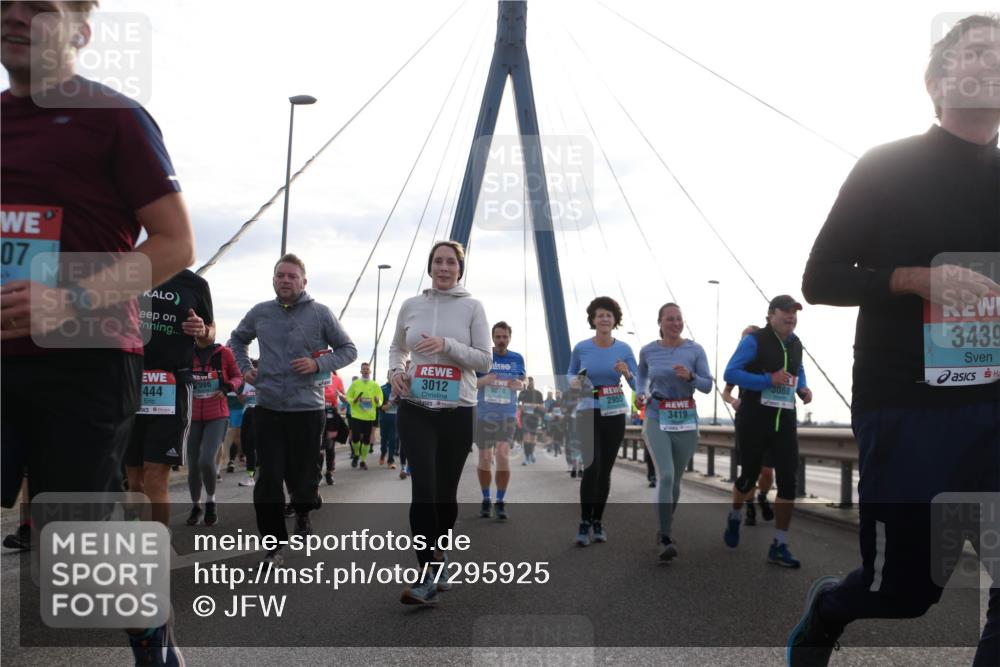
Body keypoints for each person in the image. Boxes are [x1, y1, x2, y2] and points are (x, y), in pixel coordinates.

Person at [788, 15, 1000, 666]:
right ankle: (827, 610)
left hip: (997, 406)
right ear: (936, 82)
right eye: (975, 52)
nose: (991, 62)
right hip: (909, 405)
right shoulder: (887, 166)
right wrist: (915, 279)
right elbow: (820, 278)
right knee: (902, 589)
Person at [1, 2, 195, 662]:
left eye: (40, 8)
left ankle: (154, 639)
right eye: (6, 6)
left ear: (81, 33)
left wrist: (71, 297)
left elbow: (174, 243)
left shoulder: (114, 119)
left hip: (83, 360)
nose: (16, 17)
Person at [229, 254, 357, 563]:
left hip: (307, 410)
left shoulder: (320, 314)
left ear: (303, 281)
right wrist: (245, 367)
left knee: (304, 475)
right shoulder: (260, 313)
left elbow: (348, 350)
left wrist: (317, 364)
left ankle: (303, 510)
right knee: (268, 477)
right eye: (280, 275)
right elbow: (236, 340)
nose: (285, 280)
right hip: (268, 407)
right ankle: (273, 545)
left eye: (291, 276)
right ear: (273, 280)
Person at [389, 240, 491, 604]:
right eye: (438, 261)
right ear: (429, 266)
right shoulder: (411, 305)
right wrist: (396, 371)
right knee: (424, 492)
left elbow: (484, 361)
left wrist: (446, 344)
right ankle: (427, 574)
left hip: (458, 410)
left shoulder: (472, 307)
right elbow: (398, 347)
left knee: (445, 497)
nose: (444, 268)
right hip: (416, 407)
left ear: (459, 269)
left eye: (450, 262)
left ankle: (440, 554)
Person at [722, 295, 812, 568]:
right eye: (785, 312)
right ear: (771, 314)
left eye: (795, 312)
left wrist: (803, 388)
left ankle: (780, 543)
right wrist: (766, 380)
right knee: (749, 476)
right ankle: (736, 514)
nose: (791, 317)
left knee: (788, 483)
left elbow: (800, 370)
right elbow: (731, 372)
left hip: (784, 421)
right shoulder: (754, 341)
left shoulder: (796, 344)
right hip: (753, 420)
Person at [126, 270, 214, 529]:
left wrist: (202, 330)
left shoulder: (194, 284)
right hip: (129, 380)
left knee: (155, 472)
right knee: (134, 479)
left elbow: (210, 332)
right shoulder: (129, 273)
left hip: (171, 385)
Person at [636, 303, 713, 561]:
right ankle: (667, 537)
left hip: (685, 419)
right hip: (657, 415)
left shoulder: (695, 349)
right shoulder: (648, 351)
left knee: (676, 480)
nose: (675, 323)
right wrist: (639, 394)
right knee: (666, 475)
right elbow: (641, 378)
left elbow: (707, 386)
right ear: (660, 322)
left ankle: (663, 527)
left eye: (679, 319)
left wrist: (691, 376)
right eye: (670, 319)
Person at [568, 296, 637, 546]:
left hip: (614, 411)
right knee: (592, 467)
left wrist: (627, 373)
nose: (604, 318)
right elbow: (569, 373)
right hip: (588, 409)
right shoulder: (581, 347)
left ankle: (598, 520)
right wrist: (573, 381)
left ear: (614, 319)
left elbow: (637, 384)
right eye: (600, 315)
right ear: (593, 320)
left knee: (605, 470)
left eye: (608, 314)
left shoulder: (625, 350)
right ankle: (584, 522)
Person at [722, 324, 775, 526]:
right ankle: (750, 506)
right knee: (750, 470)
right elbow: (726, 391)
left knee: (768, 470)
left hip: (769, 419)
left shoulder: (770, 360)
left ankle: (762, 495)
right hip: (747, 420)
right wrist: (733, 401)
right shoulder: (739, 364)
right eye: (744, 340)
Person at [185, 339, 241, 526]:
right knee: (192, 465)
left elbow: (237, 376)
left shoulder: (224, 353)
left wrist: (227, 387)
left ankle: (211, 500)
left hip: (217, 415)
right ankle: (196, 506)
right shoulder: (186, 352)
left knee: (206, 460)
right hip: (191, 416)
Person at [475, 321, 526, 521]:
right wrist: (483, 381)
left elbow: (524, 381)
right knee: (486, 458)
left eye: (505, 337)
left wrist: (519, 384)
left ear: (509, 338)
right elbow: (471, 383)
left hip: (506, 415)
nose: (501, 340)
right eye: (498, 337)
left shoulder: (517, 358)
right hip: (484, 415)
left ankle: (501, 500)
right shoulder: (484, 357)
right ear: (492, 338)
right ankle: (486, 498)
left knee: (503, 455)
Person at [346, 362, 383, 470]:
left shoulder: (375, 385)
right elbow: (348, 397)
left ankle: (362, 461)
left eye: (367, 369)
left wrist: (378, 401)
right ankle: (356, 454)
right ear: (361, 371)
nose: (366, 370)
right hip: (356, 415)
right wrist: (354, 400)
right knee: (355, 438)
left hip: (369, 416)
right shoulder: (355, 384)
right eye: (364, 369)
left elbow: (380, 401)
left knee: (366, 440)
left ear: (370, 371)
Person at [238, 361, 259, 487]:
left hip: (259, 411)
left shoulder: (267, 379)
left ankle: (250, 475)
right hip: (247, 411)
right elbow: (241, 400)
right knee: (245, 444)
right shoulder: (247, 381)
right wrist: (242, 396)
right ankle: (256, 468)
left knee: (251, 443)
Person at [517, 377, 544, 464]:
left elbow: (542, 407)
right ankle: (526, 457)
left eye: (532, 382)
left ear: (534, 382)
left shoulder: (538, 393)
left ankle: (531, 453)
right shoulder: (522, 393)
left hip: (535, 417)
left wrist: (535, 405)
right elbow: (518, 404)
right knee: (526, 438)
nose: (530, 383)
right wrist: (521, 406)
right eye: (529, 382)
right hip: (525, 417)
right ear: (526, 383)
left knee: (533, 438)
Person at [379, 378, 400, 469]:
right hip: (384, 417)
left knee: (393, 439)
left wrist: (397, 402)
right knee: (384, 438)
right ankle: (383, 453)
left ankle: (390, 460)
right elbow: (378, 404)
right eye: (390, 375)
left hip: (395, 417)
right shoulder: (382, 388)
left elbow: (403, 402)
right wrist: (383, 406)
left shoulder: (400, 388)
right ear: (387, 377)